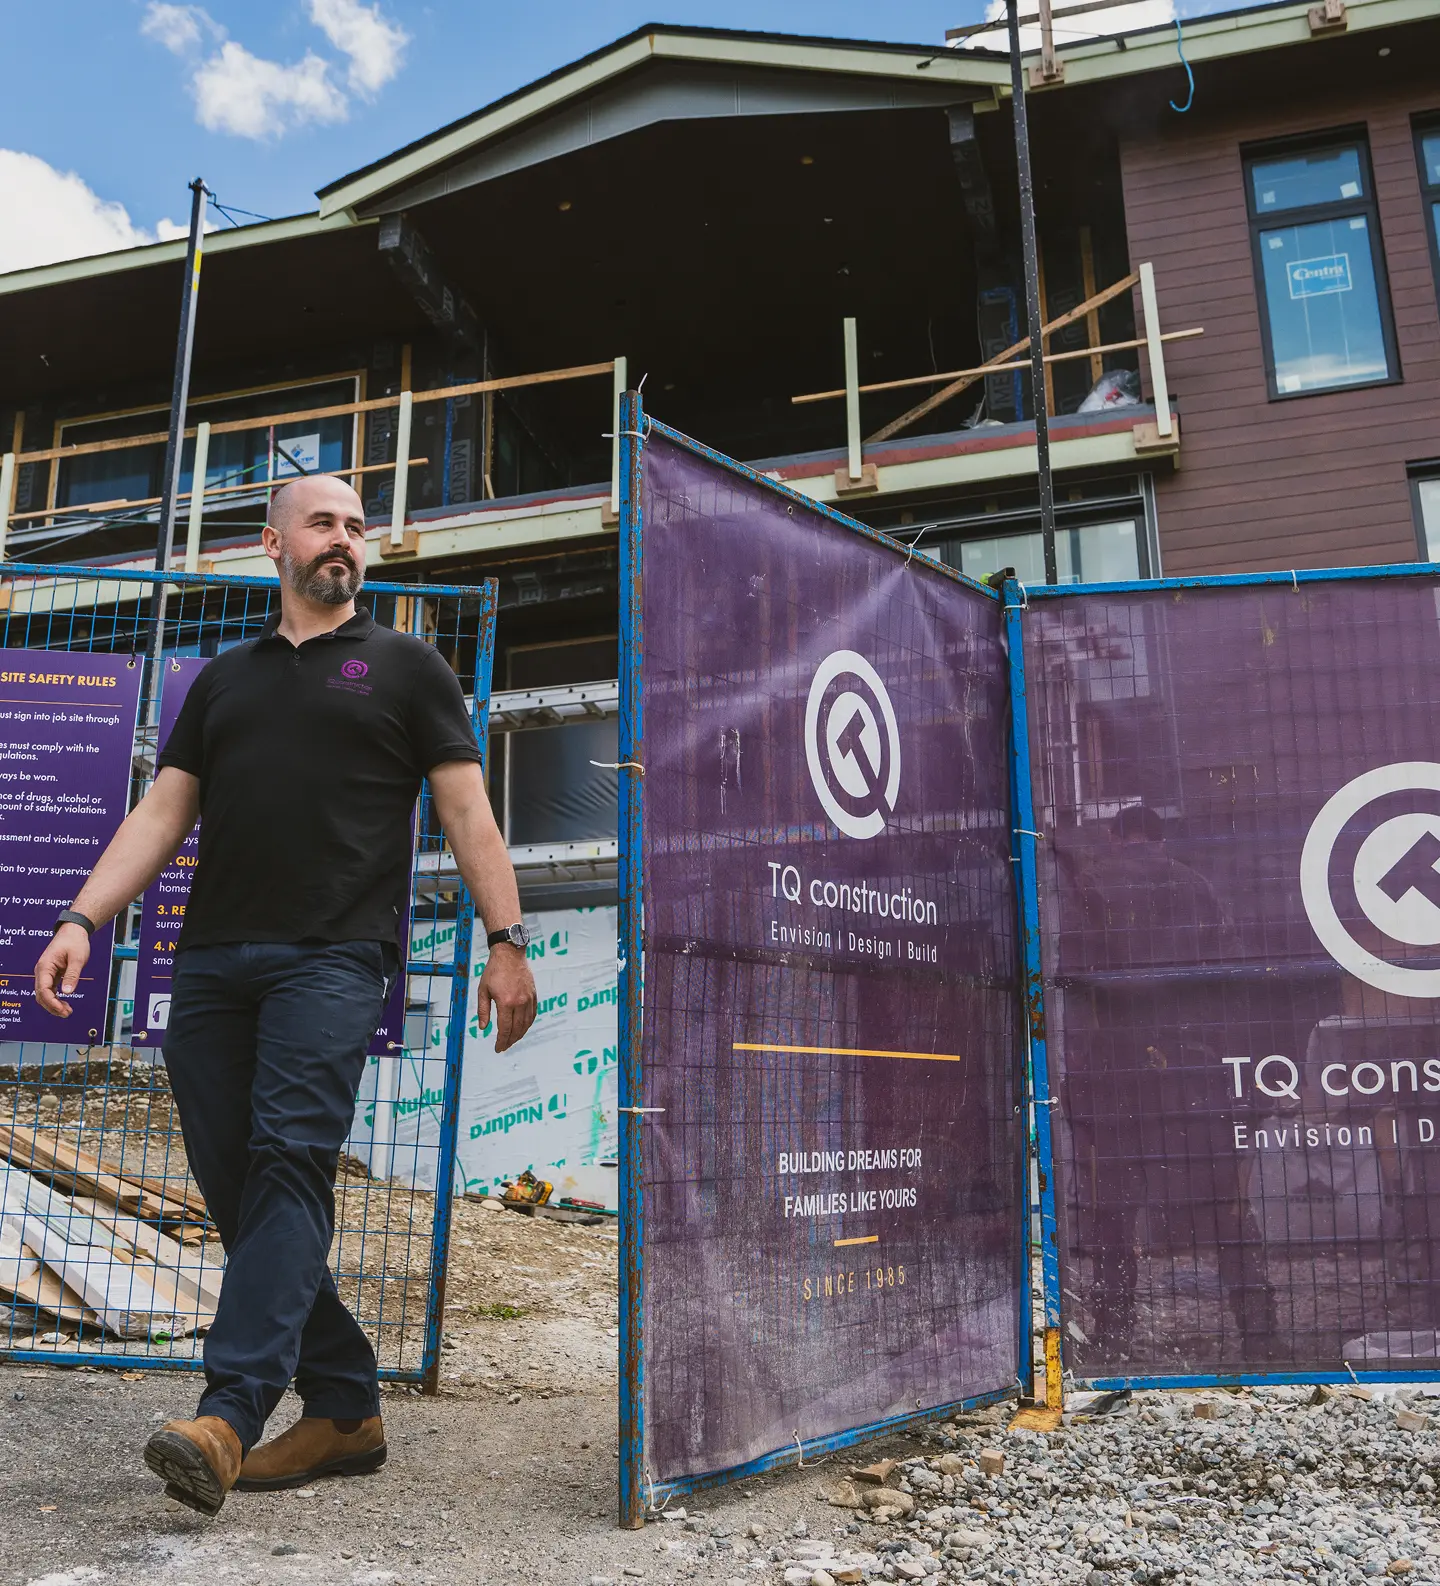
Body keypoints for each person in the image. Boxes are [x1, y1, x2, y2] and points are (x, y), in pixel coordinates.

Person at [32, 473, 537, 1516]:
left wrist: (508, 939)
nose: (345, 539)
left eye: (357, 526)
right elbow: (162, 813)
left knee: (291, 1158)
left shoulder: (406, 665)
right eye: (325, 522)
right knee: (241, 1185)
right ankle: (347, 1404)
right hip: (212, 963)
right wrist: (83, 917)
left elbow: (467, 812)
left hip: (334, 956)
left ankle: (228, 1412)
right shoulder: (222, 680)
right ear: (275, 543)